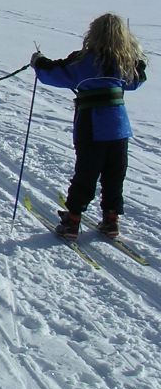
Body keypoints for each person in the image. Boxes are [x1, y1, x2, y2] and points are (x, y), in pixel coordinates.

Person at [30, 13, 147, 239]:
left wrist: (38, 61)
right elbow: (137, 80)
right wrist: (138, 58)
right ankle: (111, 219)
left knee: (86, 172)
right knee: (115, 174)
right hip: (119, 127)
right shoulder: (124, 62)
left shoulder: (83, 60)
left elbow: (55, 73)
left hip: (91, 126)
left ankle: (72, 221)